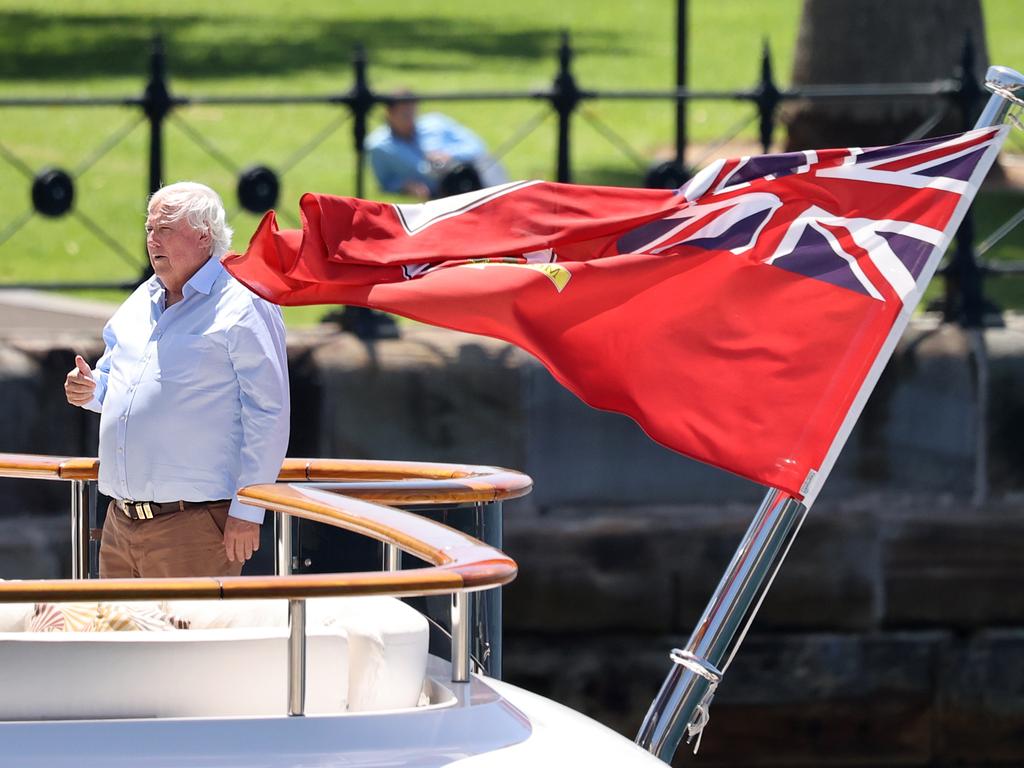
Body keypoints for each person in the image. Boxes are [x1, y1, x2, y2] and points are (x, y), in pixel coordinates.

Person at [63, 182, 290, 578]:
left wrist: (248, 510)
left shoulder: (243, 301)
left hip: (196, 526)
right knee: (117, 640)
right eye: (150, 229)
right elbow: (116, 383)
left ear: (204, 234)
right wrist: (90, 389)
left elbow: (269, 412)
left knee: (190, 640)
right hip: (119, 521)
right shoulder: (141, 299)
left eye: (165, 229)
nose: (152, 240)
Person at [366, 95, 508, 200]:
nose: (410, 118)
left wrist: (450, 155)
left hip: (471, 173)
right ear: (389, 114)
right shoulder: (379, 146)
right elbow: (385, 182)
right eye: (404, 114)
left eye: (413, 112)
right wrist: (405, 186)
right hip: (438, 191)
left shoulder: (435, 123)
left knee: (488, 164)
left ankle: (504, 199)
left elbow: (477, 146)